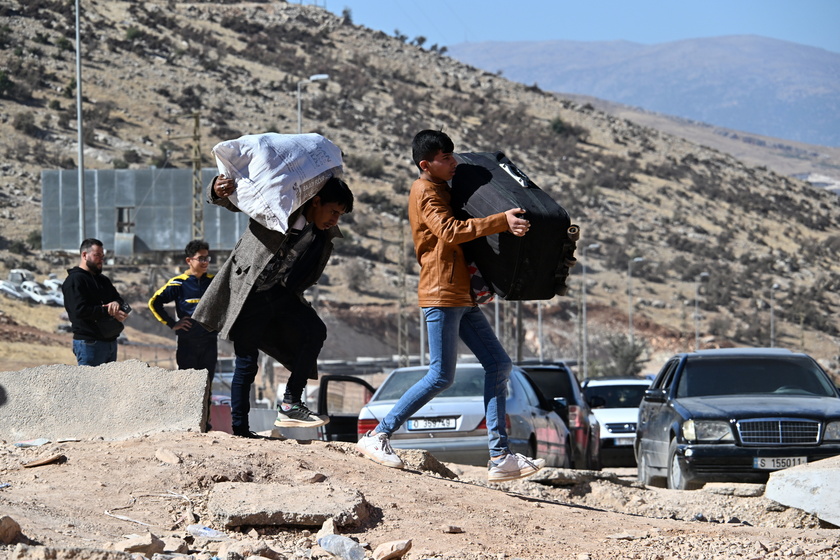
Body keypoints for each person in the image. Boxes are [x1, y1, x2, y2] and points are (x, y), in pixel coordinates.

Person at [356, 129, 546, 482]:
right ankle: (377, 435)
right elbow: (450, 231)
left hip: (462, 294)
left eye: (452, 155)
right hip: (441, 293)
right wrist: (500, 219)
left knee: (499, 364)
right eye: (445, 158)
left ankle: (500, 456)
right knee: (441, 375)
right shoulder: (424, 191)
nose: (453, 162)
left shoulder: (443, 188)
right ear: (425, 164)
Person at [193, 174, 354, 438]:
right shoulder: (279, 207)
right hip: (248, 293)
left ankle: (291, 402)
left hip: (279, 294)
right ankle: (241, 431)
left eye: (340, 215)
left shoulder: (322, 233)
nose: (335, 220)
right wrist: (216, 189)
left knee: (315, 331)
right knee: (246, 363)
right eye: (333, 211)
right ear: (316, 201)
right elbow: (239, 201)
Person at [148, 239, 218, 428]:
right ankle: (186, 422)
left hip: (210, 342)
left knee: (206, 384)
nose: (205, 262)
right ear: (189, 260)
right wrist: (172, 323)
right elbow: (154, 302)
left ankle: (205, 424)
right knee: (187, 384)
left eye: (207, 258)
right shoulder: (178, 283)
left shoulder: (213, 282)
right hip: (187, 343)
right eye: (200, 258)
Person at [62, 238, 130, 366]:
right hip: (89, 344)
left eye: (102, 256)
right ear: (84, 255)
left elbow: (122, 302)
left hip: (110, 342)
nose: (101, 259)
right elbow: (79, 311)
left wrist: (117, 305)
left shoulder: (103, 280)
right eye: (97, 255)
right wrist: (109, 311)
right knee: (91, 385)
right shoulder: (75, 281)